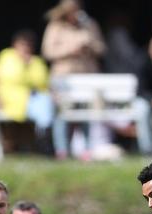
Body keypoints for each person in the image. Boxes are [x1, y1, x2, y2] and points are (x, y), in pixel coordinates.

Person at [41, 0, 106, 159]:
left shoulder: (89, 24)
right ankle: (62, 150)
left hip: (86, 77)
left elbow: (102, 48)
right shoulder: (55, 26)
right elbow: (47, 51)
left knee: (85, 114)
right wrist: (70, 50)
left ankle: (86, 150)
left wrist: (89, 45)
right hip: (63, 78)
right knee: (62, 114)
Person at [0, 30, 58, 157]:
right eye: (22, 44)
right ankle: (44, 140)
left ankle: (44, 139)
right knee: (43, 105)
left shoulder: (36, 61)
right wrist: (25, 66)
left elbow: (42, 80)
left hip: (36, 99)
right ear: (15, 45)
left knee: (45, 102)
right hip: (14, 99)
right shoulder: (7, 57)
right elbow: (13, 77)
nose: (25, 48)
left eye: (28, 45)